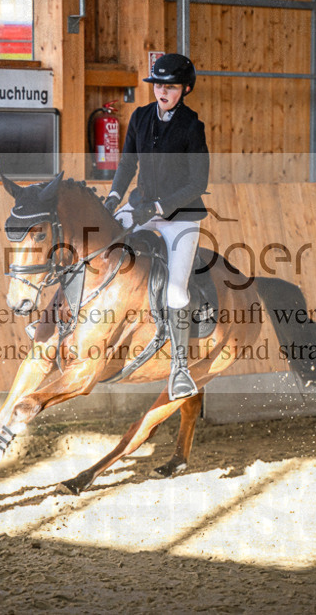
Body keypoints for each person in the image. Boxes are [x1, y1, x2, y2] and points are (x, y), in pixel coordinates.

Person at [103, 53, 210, 401]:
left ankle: (179, 367)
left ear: (185, 89)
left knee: (176, 292)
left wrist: (161, 207)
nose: (162, 92)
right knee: (100, 245)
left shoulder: (193, 127)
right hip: (141, 208)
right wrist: (114, 197)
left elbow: (197, 182)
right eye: (159, 86)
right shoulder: (140, 117)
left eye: (170, 87)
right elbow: (128, 162)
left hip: (180, 217)